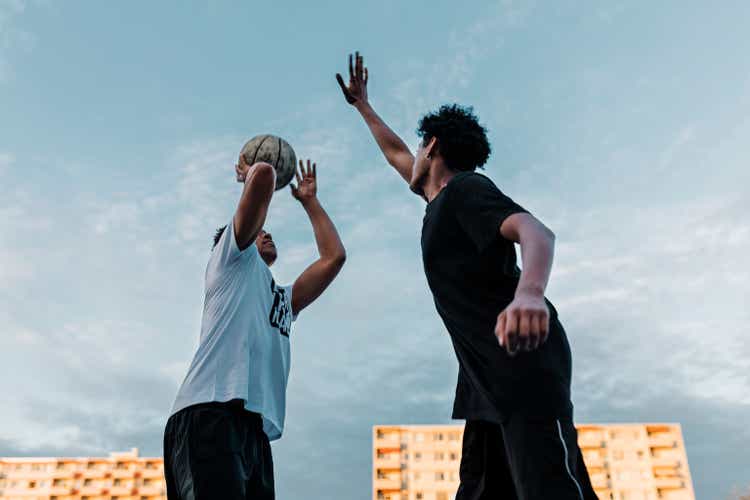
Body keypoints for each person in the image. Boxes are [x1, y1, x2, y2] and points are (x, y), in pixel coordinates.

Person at [337, 52, 597, 500]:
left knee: (549, 487)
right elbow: (396, 153)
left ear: (433, 146)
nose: (411, 154)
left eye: (420, 146)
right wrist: (363, 106)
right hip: (484, 384)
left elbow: (535, 231)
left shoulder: (466, 189)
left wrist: (530, 294)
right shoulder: (438, 201)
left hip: (523, 358)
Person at [163, 156, 346, 500]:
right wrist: (250, 177)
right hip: (208, 411)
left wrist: (310, 202)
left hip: (252, 428)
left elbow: (333, 257)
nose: (267, 232)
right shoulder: (230, 260)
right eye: (260, 230)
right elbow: (264, 174)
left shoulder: (281, 299)